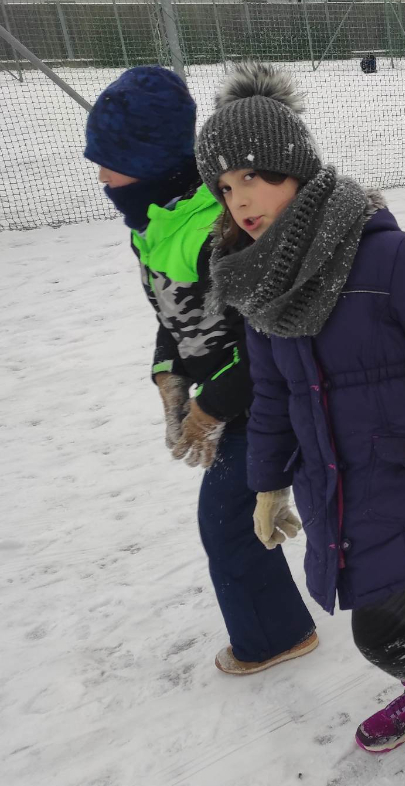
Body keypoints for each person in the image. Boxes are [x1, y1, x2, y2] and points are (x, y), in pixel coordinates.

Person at [196, 61, 405, 774]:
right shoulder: (259, 285)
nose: (240, 199)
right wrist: (267, 484)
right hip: (333, 486)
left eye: (251, 176)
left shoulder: (389, 258)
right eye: (224, 187)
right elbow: (273, 396)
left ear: (293, 166)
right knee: (388, 612)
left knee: (381, 627)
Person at [83, 66, 317, 674]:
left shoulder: (218, 231)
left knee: (227, 520)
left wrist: (211, 406)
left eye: (110, 162)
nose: (101, 177)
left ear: (149, 161)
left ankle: (276, 637)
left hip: (266, 396)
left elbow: (268, 339)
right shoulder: (155, 226)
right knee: (239, 513)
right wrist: (169, 376)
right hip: (228, 396)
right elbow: (176, 315)